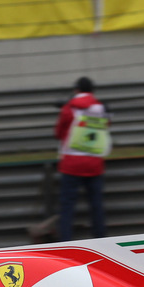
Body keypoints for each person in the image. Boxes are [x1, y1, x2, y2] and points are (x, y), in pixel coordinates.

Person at [54, 77, 111, 241]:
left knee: (67, 208)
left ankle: (65, 244)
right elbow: (106, 128)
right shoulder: (101, 108)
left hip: (71, 164)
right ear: (93, 91)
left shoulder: (68, 108)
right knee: (96, 206)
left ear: (76, 90)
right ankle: (102, 242)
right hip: (94, 164)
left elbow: (58, 133)